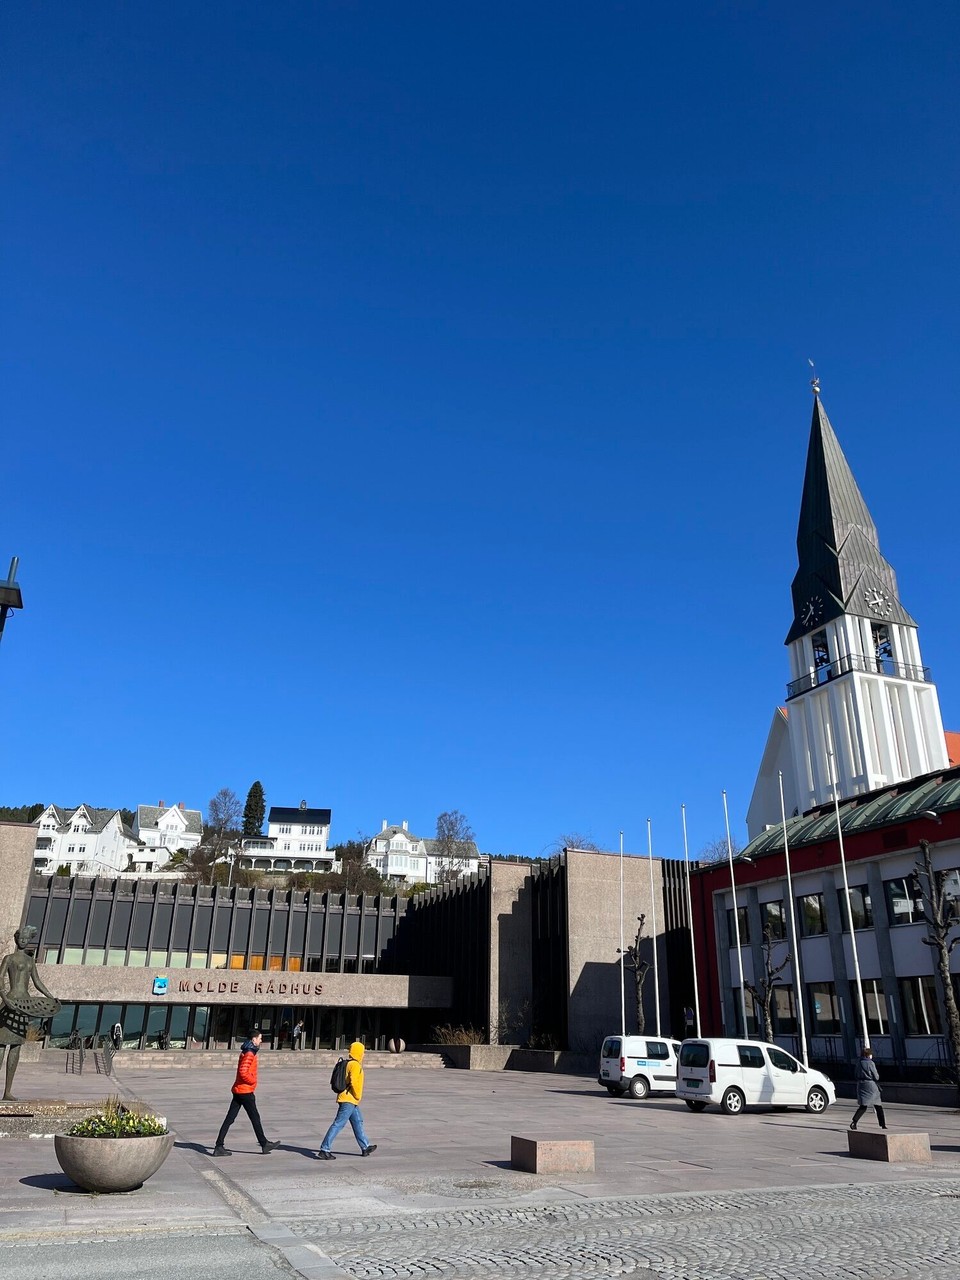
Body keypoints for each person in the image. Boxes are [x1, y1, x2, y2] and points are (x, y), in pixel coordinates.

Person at [0, 925, 61, 1101]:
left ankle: (7, 1091)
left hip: (24, 1005)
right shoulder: (9, 958)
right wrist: (5, 998)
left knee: (16, 1047)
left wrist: (50, 997)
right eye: (22, 938)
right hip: (10, 1003)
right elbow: (0, 979)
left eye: (27, 939)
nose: (24, 941)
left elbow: (37, 981)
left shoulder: (29, 961)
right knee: (2, 1045)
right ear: (16, 939)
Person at [212, 1030, 281, 1156]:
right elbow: (243, 1072)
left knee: (230, 1119)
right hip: (245, 1091)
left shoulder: (247, 1050)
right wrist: (253, 1079)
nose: (261, 1041)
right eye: (260, 1038)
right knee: (255, 1118)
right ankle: (264, 1144)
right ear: (254, 1039)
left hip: (239, 1090)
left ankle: (219, 1145)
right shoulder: (249, 1053)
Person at [317, 1040, 377, 1160]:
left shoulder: (349, 1063)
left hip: (349, 1099)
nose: (363, 1054)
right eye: (362, 1052)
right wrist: (357, 1095)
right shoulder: (355, 1065)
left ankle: (365, 1147)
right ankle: (324, 1149)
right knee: (338, 1124)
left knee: (358, 1122)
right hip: (349, 1099)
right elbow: (354, 1082)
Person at [849, 1047, 886, 1131]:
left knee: (863, 1106)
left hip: (861, 1085)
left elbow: (855, 1074)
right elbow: (876, 1076)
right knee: (878, 1105)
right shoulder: (870, 1063)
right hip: (871, 1086)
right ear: (868, 1055)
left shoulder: (858, 1063)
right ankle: (883, 1124)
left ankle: (854, 1121)